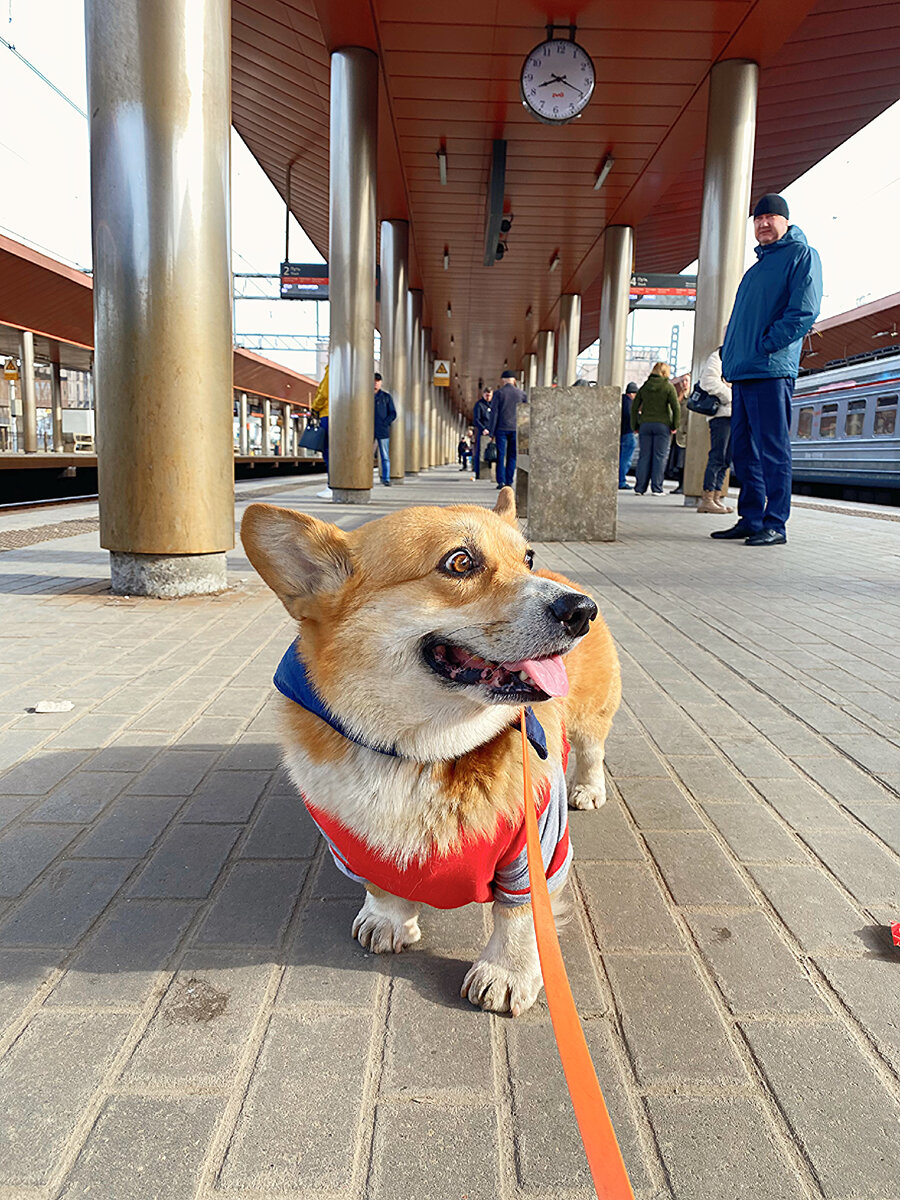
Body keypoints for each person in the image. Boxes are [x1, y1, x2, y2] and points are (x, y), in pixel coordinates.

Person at [713, 193, 822, 545]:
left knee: (772, 450)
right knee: (744, 451)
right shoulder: (756, 269)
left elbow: (803, 311)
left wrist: (766, 346)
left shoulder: (802, 256)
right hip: (745, 372)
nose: (763, 223)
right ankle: (751, 517)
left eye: (770, 217)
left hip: (771, 369)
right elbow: (738, 324)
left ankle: (776, 523)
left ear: (785, 222)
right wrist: (731, 360)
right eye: (758, 219)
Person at [630, 362, 679, 495]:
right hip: (662, 426)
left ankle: (640, 488)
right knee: (659, 457)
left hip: (645, 425)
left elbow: (634, 407)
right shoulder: (668, 387)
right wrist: (674, 425)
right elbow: (676, 408)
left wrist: (635, 425)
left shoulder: (645, 387)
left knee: (644, 456)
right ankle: (657, 488)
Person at [697, 345, 734, 514]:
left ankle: (716, 497)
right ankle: (707, 498)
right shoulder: (716, 358)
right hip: (721, 415)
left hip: (732, 415)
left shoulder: (730, 358)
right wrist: (731, 394)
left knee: (726, 459)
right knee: (717, 456)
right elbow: (709, 382)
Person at [488, 369, 526, 490]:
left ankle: (501, 481)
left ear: (503, 380)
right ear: (514, 380)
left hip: (501, 429)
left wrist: (491, 431)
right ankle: (509, 481)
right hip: (516, 429)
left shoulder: (499, 394)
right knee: (512, 456)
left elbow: (494, 413)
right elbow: (525, 414)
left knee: (501, 455)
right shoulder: (522, 394)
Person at [668, 373, 691, 493]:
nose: (684, 383)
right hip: (678, 434)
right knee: (677, 461)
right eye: (682, 381)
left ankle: (683, 485)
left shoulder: (691, 398)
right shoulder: (680, 397)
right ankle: (680, 485)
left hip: (685, 435)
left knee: (683, 462)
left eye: (686, 381)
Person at [373, 372, 397, 487]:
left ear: (381, 383)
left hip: (382, 430)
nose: (375, 384)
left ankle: (386, 478)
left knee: (385, 456)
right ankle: (365, 477)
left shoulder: (386, 397)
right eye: (374, 381)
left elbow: (393, 413)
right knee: (365, 455)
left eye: (377, 381)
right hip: (368, 430)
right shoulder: (366, 396)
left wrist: (385, 423)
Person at [311, 364, 331, 498]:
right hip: (343, 415)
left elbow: (324, 393)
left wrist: (315, 407)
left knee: (329, 452)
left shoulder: (332, 369)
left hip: (328, 414)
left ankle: (332, 485)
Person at [619, 382, 638, 489]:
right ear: (633, 394)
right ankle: (621, 481)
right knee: (625, 459)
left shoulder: (621, 400)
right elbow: (629, 415)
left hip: (621, 433)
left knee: (621, 458)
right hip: (628, 433)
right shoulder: (629, 403)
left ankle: (619, 480)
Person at [472, 387, 492, 479]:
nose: (488, 397)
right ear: (483, 394)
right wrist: (483, 428)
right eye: (486, 395)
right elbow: (476, 419)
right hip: (481, 431)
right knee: (480, 452)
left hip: (492, 431)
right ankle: (478, 472)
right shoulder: (479, 405)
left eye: (489, 395)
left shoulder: (494, 405)